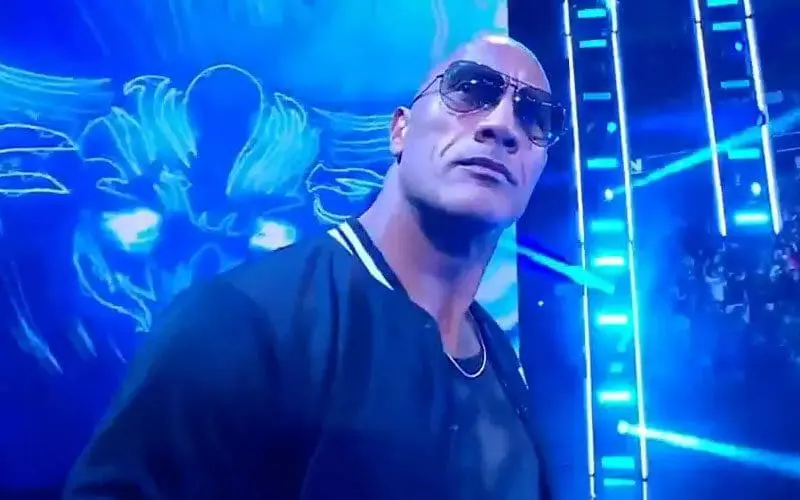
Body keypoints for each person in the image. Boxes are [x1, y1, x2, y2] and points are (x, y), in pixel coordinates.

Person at [64, 34, 566, 500]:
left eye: (534, 117)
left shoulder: (503, 364)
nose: (503, 125)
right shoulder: (242, 320)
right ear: (400, 130)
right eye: (471, 89)